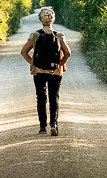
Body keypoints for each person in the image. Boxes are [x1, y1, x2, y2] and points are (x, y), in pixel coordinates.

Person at [21, 7, 71, 136]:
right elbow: (68, 53)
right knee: (54, 97)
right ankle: (54, 123)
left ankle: (42, 127)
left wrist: (33, 63)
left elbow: (23, 52)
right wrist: (60, 65)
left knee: (41, 98)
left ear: (40, 19)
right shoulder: (59, 35)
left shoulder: (35, 35)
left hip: (38, 71)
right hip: (55, 72)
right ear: (53, 19)